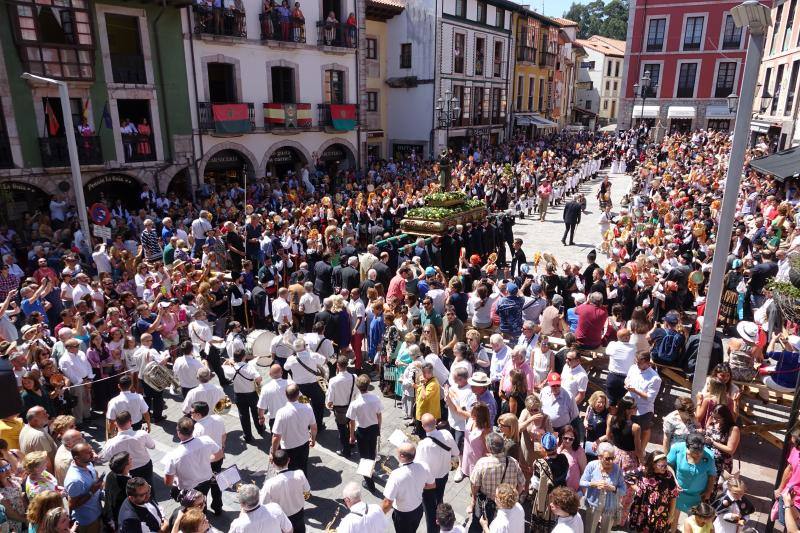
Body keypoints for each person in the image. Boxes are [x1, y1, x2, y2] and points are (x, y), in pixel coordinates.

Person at [163, 416, 222, 515]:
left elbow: (168, 482)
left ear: (178, 432)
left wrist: (175, 479)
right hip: (206, 481)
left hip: (189, 488)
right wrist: (207, 460)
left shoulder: (173, 456)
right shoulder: (206, 440)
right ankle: (204, 510)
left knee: (193, 510)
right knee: (203, 498)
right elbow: (219, 455)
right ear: (193, 430)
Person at [469, 432, 525, 533]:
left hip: (486, 504)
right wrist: (511, 498)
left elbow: (475, 485)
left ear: (489, 448)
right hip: (507, 505)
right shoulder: (513, 462)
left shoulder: (482, 463)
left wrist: (473, 498)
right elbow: (521, 484)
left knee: (477, 526)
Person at [416, 412, 458, 532]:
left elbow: (418, 466)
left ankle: (432, 529)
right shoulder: (447, 434)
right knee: (439, 499)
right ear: (435, 422)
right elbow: (455, 452)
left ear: (423, 427)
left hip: (430, 481)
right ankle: (441, 521)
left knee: (429, 508)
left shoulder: (423, 445)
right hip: (443, 475)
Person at [382, 442, 435, 532]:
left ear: (402, 456)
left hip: (403, 514)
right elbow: (432, 485)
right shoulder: (424, 466)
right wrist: (418, 486)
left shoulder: (396, 475)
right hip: (418, 510)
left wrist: (378, 515)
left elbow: (387, 503)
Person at [99, 411, 156, 488]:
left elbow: (103, 459)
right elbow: (152, 446)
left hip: (125, 470)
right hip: (145, 466)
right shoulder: (142, 434)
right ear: (131, 421)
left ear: (116, 424)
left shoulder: (110, 443)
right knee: (148, 486)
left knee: (130, 490)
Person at [625, 451, 679, 532]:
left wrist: (671, 514)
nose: (665, 468)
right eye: (661, 466)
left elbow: (674, 495)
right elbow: (627, 476)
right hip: (643, 510)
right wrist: (636, 488)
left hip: (660, 512)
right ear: (653, 464)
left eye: (666, 465)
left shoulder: (668, 476)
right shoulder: (643, 471)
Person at [270, 383, 317, 475]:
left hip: (288, 448)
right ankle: (304, 486)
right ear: (298, 394)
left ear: (286, 395)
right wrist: (313, 439)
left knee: (289, 472)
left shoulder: (281, 413)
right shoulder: (308, 408)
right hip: (304, 445)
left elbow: (276, 436)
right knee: (303, 468)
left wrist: (273, 453)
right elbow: (314, 427)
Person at [579, 442, 626, 533]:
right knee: (589, 530)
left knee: (606, 530)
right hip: (593, 505)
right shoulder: (592, 466)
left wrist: (613, 488)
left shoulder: (617, 470)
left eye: (613, 458)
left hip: (610, 507)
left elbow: (624, 491)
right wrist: (594, 484)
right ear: (599, 457)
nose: (611, 461)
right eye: (608, 458)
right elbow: (582, 482)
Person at [259, 449, 310, 533]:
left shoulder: (269, 484)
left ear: (273, 463)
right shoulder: (299, 474)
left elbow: (263, 504)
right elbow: (307, 491)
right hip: (299, 513)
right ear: (289, 460)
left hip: (282, 517)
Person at [346, 374, 382, 490]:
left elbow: (351, 422)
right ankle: (371, 472)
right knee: (372, 454)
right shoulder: (376, 398)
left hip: (362, 431)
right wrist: (378, 428)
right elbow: (379, 415)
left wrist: (351, 436)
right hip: (373, 428)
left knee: (364, 458)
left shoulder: (355, 403)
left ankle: (370, 484)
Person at [667, 432, 717, 514]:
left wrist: (708, 491)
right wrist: (674, 481)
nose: (698, 455)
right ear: (687, 447)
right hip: (678, 492)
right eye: (694, 453)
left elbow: (712, 475)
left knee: (693, 519)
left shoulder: (709, 456)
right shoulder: (677, 448)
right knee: (673, 515)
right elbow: (669, 465)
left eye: (700, 453)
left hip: (698, 496)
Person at [285, 337, 327, 431]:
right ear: (305, 346)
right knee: (319, 405)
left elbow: (286, 368)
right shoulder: (312, 355)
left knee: (302, 408)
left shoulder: (291, 359)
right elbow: (324, 361)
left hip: (300, 388)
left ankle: (306, 425)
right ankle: (318, 425)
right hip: (313, 386)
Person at [625, 352, 661, 455]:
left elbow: (649, 398)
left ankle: (641, 450)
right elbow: (627, 378)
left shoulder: (655, 378)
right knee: (629, 428)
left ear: (647, 363)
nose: (636, 365)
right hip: (629, 405)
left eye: (639, 363)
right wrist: (626, 383)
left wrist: (635, 390)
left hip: (643, 409)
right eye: (636, 362)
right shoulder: (633, 368)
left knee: (645, 429)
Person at [64, 442, 104, 533]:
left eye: (91, 451)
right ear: (77, 458)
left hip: (96, 512)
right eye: (87, 453)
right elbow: (72, 505)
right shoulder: (75, 480)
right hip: (87, 520)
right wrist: (91, 492)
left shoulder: (88, 464)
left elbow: (94, 476)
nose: (92, 454)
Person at [229, 350, 265, 443]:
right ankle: (260, 429)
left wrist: (228, 362)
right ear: (244, 357)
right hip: (251, 394)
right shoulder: (249, 367)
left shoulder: (230, 369)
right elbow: (259, 379)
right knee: (255, 413)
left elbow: (223, 368)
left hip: (239, 396)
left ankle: (247, 436)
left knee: (243, 416)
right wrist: (257, 383)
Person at [327, 356, 359, 457]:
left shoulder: (333, 380)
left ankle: (346, 451)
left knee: (342, 429)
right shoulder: (354, 377)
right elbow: (356, 392)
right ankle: (351, 442)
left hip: (340, 409)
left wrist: (328, 404)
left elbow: (330, 399)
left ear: (337, 365)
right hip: (351, 406)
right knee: (350, 425)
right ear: (347, 365)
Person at [257, 364, 288, 432]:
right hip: (291, 416)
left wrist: (261, 418)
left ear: (270, 374)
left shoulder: (266, 388)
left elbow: (261, 407)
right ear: (282, 372)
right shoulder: (291, 383)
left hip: (275, 419)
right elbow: (302, 400)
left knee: (276, 439)